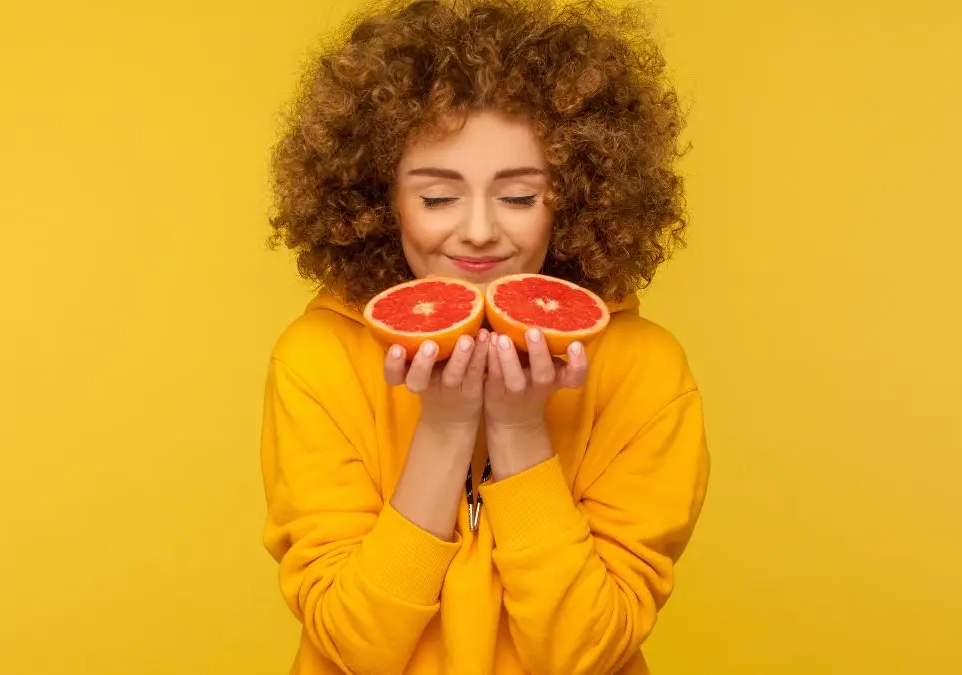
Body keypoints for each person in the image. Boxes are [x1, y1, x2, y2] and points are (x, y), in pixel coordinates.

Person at [259, 1, 710, 673]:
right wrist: (443, 430)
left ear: (578, 195)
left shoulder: (646, 369)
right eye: (438, 197)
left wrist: (520, 430)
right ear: (379, 198)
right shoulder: (316, 360)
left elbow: (584, 652)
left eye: (520, 197)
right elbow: (354, 647)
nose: (478, 231)